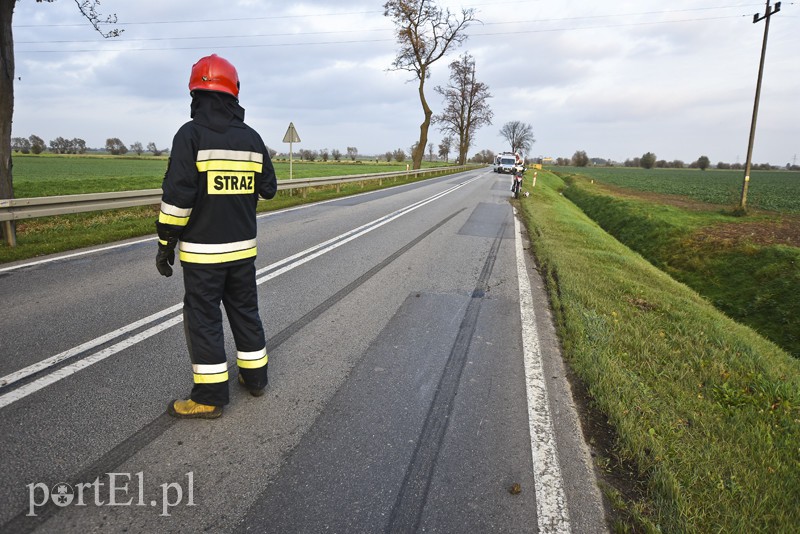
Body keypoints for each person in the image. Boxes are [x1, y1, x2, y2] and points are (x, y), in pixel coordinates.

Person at [156, 54, 277, 419]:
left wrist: (165, 244)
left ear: (195, 92)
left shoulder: (190, 135)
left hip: (203, 254)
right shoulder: (252, 138)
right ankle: (255, 380)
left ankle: (209, 398)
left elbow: (178, 198)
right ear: (233, 92)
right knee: (245, 311)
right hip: (243, 251)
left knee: (204, 319)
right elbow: (268, 188)